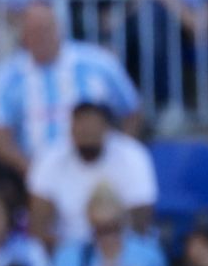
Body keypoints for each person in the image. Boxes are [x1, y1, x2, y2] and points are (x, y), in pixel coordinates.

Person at [0, 0, 141, 175]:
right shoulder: (7, 77)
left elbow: (132, 111)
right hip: (29, 172)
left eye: (45, 29)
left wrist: (116, 158)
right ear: (23, 36)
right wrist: (33, 172)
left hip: (96, 169)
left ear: (59, 28)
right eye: (34, 31)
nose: (40, 37)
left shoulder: (99, 63)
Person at [26, 102, 158, 245]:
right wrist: (73, 257)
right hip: (65, 248)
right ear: (71, 128)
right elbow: (38, 226)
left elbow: (140, 221)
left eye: (93, 125)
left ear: (107, 128)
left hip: (121, 246)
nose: (87, 131)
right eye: (81, 125)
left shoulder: (132, 154)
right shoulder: (50, 157)